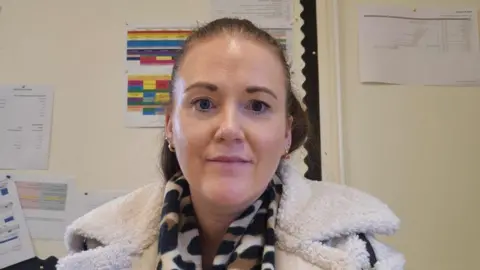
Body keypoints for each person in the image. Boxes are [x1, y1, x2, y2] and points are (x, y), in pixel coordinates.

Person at [57, 18, 404, 270]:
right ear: (169, 127)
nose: (229, 129)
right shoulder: (96, 253)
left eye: (257, 106)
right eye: (204, 103)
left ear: (286, 134)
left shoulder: (358, 258)